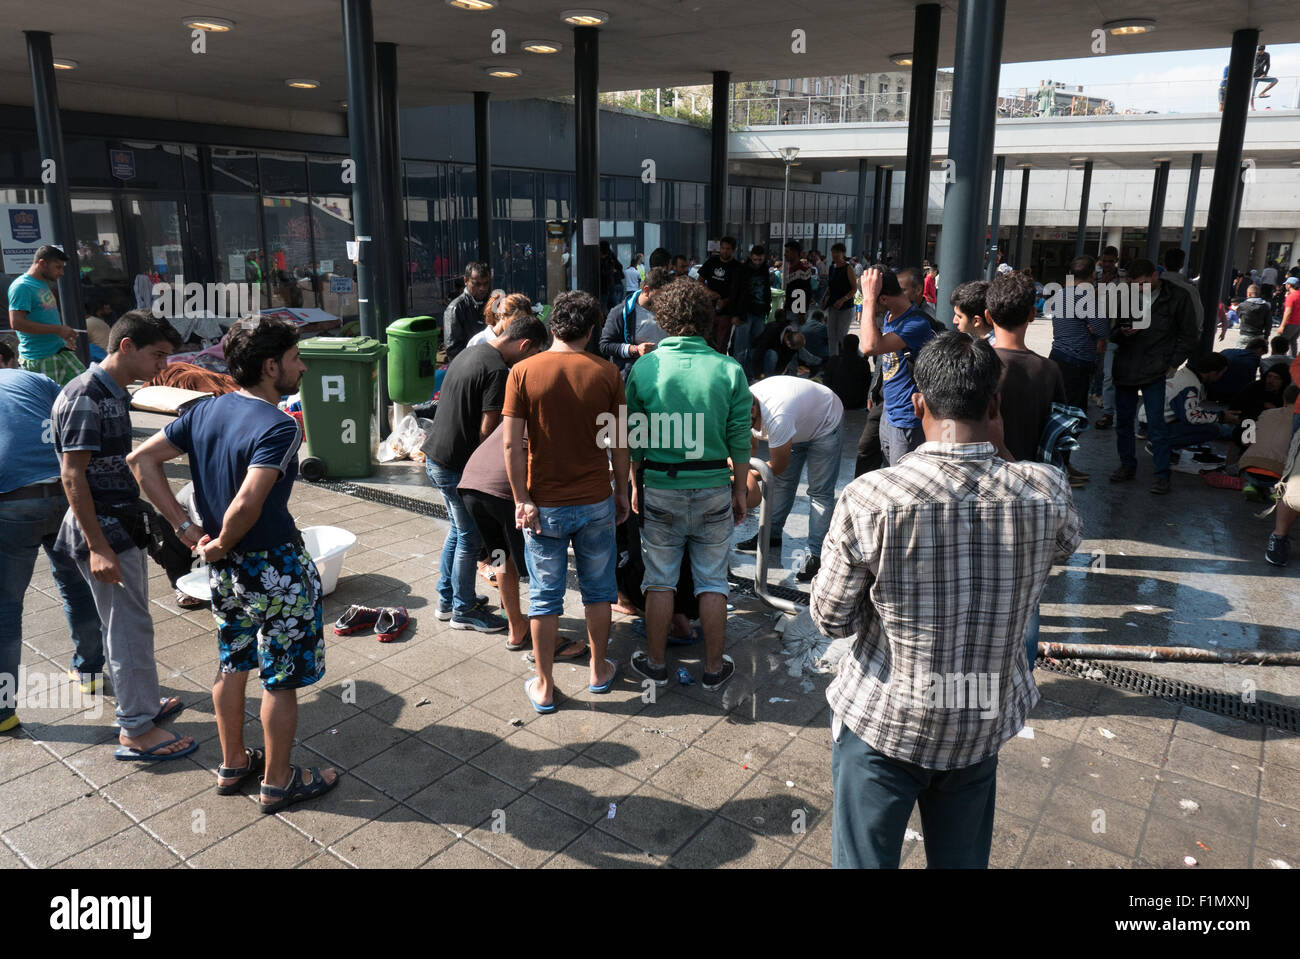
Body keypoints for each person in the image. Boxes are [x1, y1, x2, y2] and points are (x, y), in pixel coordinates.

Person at [812, 332, 1081, 869]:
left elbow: (831, 618)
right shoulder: (1046, 491)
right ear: (995, 405)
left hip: (886, 724)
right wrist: (1000, 448)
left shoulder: (871, 498)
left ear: (917, 405)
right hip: (980, 726)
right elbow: (1065, 547)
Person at [130, 314, 337, 809]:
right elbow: (248, 502)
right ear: (270, 366)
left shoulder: (205, 410)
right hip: (276, 568)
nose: (302, 367)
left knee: (232, 661)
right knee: (281, 677)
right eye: (294, 358)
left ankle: (233, 764)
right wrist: (217, 540)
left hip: (225, 572)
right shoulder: (280, 427)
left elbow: (141, 462)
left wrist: (187, 530)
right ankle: (279, 781)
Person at [52, 311, 195, 762]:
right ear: (126, 346)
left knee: (135, 623)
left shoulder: (111, 393)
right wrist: (97, 547)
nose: (163, 365)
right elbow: (72, 476)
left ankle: (145, 706)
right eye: (158, 355)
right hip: (103, 531)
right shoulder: (86, 397)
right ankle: (135, 730)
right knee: (126, 629)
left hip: (119, 525)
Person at [504, 291, 628, 713]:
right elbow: (620, 444)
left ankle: (544, 685)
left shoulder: (522, 371)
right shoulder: (608, 373)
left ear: (553, 325)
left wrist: (521, 498)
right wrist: (624, 493)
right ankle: (597, 670)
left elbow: (511, 447)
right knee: (598, 592)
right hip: (595, 499)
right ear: (592, 331)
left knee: (544, 597)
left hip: (544, 504)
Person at [624, 279, 750, 690]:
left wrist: (633, 482)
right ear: (705, 319)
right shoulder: (730, 369)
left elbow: (634, 437)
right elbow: (740, 439)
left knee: (659, 580)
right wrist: (740, 489)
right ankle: (714, 670)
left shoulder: (646, 367)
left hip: (661, 484)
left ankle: (656, 664)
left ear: (665, 320)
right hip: (714, 484)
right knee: (713, 582)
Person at [0, 342, 105, 732]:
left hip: (10, 499)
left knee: (6, 608)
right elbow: (65, 422)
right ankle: (90, 672)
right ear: (8, 359)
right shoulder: (35, 379)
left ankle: (3, 711)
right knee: (77, 587)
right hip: (64, 491)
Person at [423, 313, 548, 632]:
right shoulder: (497, 371)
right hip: (455, 467)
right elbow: (489, 434)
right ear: (524, 344)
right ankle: (463, 609)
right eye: (532, 355)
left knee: (458, 531)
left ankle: (448, 598)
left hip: (436, 455)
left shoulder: (472, 351)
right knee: (471, 537)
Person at [736, 376, 844, 580]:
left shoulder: (777, 417)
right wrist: (744, 470)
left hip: (825, 423)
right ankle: (770, 534)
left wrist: (746, 477)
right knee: (783, 483)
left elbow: (777, 466)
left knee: (819, 492)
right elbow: (750, 447)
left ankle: (817, 555)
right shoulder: (741, 405)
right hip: (799, 419)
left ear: (753, 411)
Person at [1109, 258, 1200, 495]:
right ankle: (1127, 465)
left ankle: (1161, 475)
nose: (1138, 289)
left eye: (1142, 284)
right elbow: (1113, 331)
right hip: (1127, 365)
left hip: (1156, 368)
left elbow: (1189, 335)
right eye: (1133, 284)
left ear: (1155, 276)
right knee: (1123, 423)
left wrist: (1171, 363)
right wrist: (1122, 332)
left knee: (1156, 424)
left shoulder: (1178, 297)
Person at [856, 266, 936, 466]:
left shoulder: (916, 323)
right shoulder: (890, 316)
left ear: (882, 299)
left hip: (907, 417)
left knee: (903, 479)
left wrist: (868, 301)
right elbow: (886, 361)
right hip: (889, 412)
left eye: (874, 299)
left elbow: (869, 346)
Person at [987, 271, 1068, 465]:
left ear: (987, 316)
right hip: (1031, 472)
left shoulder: (975, 361)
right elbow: (1059, 428)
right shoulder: (1049, 369)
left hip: (983, 472)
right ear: (1032, 314)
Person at [7, 245, 86, 386]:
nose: (61, 272)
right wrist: (58, 330)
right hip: (39, 358)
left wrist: (61, 336)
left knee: (86, 388)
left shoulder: (41, 283)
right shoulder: (22, 286)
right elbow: (16, 323)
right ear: (42, 263)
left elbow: (45, 317)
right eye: (58, 267)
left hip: (59, 352)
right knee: (50, 404)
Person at [599, 266, 671, 374]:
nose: (665, 300)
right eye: (661, 296)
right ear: (646, 290)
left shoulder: (669, 310)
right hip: (635, 376)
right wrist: (634, 349)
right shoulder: (619, 312)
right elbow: (605, 345)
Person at [697, 236, 744, 353]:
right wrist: (709, 292)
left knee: (721, 344)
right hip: (708, 309)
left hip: (726, 312)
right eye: (722, 248)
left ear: (733, 250)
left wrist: (725, 301)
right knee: (705, 342)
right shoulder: (712, 261)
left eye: (728, 249)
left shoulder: (737, 267)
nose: (724, 251)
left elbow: (739, 291)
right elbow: (699, 281)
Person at [736, 244, 773, 378]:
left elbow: (767, 290)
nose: (757, 262)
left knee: (756, 347)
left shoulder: (764, 270)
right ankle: (739, 375)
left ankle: (751, 374)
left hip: (760, 312)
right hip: (745, 313)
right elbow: (736, 291)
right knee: (741, 348)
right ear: (751, 257)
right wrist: (736, 314)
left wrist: (767, 309)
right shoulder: (743, 270)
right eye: (755, 259)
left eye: (760, 260)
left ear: (764, 258)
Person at [443, 262, 492, 363]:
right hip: (469, 366)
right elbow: (453, 350)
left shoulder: (492, 303)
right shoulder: (455, 308)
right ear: (466, 281)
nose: (482, 288)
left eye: (486, 283)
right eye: (477, 284)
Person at [820, 243, 857, 357]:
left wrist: (842, 300)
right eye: (833, 252)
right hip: (832, 305)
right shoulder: (832, 267)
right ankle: (833, 362)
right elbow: (830, 286)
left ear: (843, 253)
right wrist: (823, 297)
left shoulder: (848, 268)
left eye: (837, 252)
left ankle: (857, 357)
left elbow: (854, 289)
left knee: (841, 336)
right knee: (831, 336)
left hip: (845, 307)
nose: (835, 254)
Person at [783, 241, 815, 323]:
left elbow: (806, 291)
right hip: (790, 309)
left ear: (795, 253)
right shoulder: (790, 268)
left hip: (797, 313)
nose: (784, 254)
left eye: (787, 252)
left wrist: (802, 313)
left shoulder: (803, 270)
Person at [1252, 44, 1279, 109]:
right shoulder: (1254, 55)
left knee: (1275, 80)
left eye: (1261, 51)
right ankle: (1252, 106)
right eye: (1258, 50)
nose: (1259, 52)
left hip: (1261, 75)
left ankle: (1262, 93)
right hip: (1253, 77)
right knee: (1252, 93)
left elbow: (1268, 65)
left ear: (1264, 50)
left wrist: (1265, 74)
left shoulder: (1267, 55)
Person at [1280, 276, 1300, 357]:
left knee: (1282, 342)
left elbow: (1288, 312)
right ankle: (1292, 359)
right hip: (1298, 323)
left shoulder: (1291, 297)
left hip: (1290, 322)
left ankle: (1280, 358)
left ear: (1289, 285)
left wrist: (1282, 326)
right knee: (1293, 342)